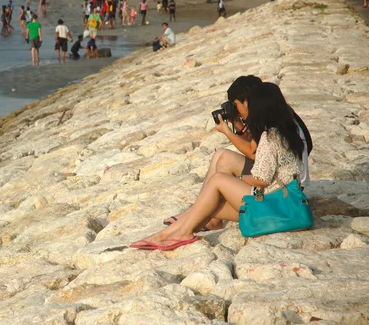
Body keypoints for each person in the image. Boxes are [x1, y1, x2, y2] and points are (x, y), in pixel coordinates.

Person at [130, 82, 306, 251]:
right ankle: (162, 236)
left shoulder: (270, 137)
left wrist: (236, 180)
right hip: (278, 201)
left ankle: (181, 233)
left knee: (218, 180)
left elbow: (261, 180)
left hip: (273, 201)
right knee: (210, 205)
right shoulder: (283, 132)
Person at [159, 75, 312, 232]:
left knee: (224, 163)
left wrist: (227, 132)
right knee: (220, 155)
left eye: (236, 105)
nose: (235, 109)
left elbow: (253, 152)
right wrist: (237, 122)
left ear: (246, 101)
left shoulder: (271, 125)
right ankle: (202, 214)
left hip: (285, 188)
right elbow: (257, 147)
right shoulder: (279, 113)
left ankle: (201, 215)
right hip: (286, 179)